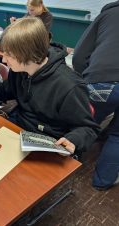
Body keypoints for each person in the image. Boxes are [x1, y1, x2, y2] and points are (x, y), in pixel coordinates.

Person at [0, 17, 100, 156]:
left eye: (9, 55)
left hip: (49, 142)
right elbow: (7, 91)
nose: (4, 60)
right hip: (18, 130)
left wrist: (73, 140)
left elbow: (88, 128)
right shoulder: (19, 70)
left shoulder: (69, 86)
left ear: (28, 54)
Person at [72, 1, 119, 190]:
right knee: (118, 135)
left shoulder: (109, 13)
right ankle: (103, 181)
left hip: (103, 81)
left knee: (86, 124)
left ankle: (64, 166)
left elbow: (78, 56)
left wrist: (89, 77)